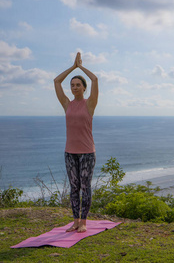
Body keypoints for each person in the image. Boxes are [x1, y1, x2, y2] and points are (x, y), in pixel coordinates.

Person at [54, 52, 99, 233]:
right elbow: (56, 82)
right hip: (70, 152)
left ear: (84, 88)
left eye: (77, 85)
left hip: (87, 152)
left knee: (84, 187)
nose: (74, 87)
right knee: (74, 187)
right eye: (72, 85)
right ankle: (75, 221)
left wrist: (81, 67)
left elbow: (95, 79)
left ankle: (84, 222)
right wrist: (73, 67)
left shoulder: (90, 104)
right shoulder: (67, 104)